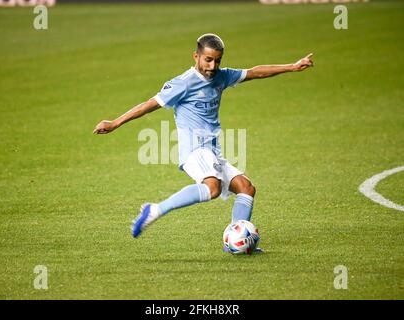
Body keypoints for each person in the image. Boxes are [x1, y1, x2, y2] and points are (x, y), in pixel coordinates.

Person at [93, 34, 313, 251]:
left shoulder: (222, 76)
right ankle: (155, 210)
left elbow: (255, 72)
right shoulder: (183, 83)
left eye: (217, 60)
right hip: (194, 150)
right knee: (212, 188)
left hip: (212, 151)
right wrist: (115, 123)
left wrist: (292, 67)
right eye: (208, 59)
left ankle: (235, 241)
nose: (212, 65)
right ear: (196, 56)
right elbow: (149, 104)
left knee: (246, 188)